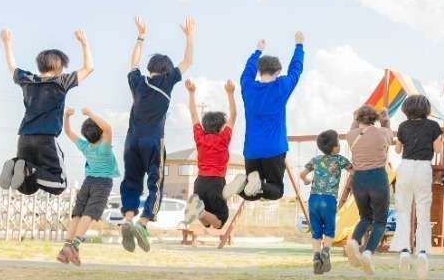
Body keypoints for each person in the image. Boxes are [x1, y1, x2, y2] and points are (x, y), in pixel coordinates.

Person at [120, 16, 194, 253]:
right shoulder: (167, 81)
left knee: (131, 182)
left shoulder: (137, 82)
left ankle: (127, 219)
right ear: (165, 71)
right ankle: (143, 223)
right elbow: (187, 61)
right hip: (153, 141)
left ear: (150, 69)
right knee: (155, 183)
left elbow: (132, 62)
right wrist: (189, 35)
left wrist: (141, 36)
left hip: (131, 142)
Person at [0, 28, 93, 195]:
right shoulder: (60, 81)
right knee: (59, 184)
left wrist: (7, 43)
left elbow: (11, 67)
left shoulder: (27, 80)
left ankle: (17, 166)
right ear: (59, 67)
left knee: (27, 187)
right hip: (46, 140)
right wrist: (84, 43)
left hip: (24, 139)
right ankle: (28, 168)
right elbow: (88, 68)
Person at [231, 33, 305, 202]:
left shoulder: (248, 86)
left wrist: (257, 51)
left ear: (259, 70)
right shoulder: (282, 86)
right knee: (276, 190)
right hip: (274, 149)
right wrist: (299, 46)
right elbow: (296, 69)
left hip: (252, 150)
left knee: (251, 195)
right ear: (278, 72)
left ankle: (243, 184)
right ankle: (255, 185)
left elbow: (247, 72)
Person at [391, 95, 443, 279]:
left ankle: (404, 250)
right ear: (426, 109)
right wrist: (438, 140)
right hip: (423, 168)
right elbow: (437, 150)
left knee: (403, 210)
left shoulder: (403, 127)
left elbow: (397, 150)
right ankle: (422, 251)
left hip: (405, 167)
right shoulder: (433, 127)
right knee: (423, 210)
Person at [58, 107, 119, 265]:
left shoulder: (85, 146)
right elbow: (108, 128)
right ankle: (75, 247)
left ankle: (66, 248)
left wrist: (66, 116)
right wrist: (90, 114)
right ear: (100, 132)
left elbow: (68, 132)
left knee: (77, 213)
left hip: (88, 182)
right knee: (89, 214)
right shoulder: (104, 147)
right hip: (102, 183)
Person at [182, 79, 237, 233]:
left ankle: (198, 209)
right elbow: (233, 116)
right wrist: (230, 94)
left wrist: (191, 93)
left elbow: (193, 115)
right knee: (220, 220)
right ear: (221, 128)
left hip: (200, 182)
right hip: (216, 183)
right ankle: (199, 210)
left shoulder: (200, 137)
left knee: (207, 222)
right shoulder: (223, 139)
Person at [344, 106, 394, 275]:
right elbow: (389, 133)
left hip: (358, 180)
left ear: (358, 119)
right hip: (378, 177)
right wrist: (385, 118)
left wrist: (354, 118)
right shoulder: (382, 133)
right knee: (380, 221)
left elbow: (352, 131)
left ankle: (354, 241)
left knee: (365, 217)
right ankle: (368, 252)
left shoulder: (351, 136)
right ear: (374, 118)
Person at [300, 130, 353, 275]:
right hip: (329, 199)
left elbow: (302, 174)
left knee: (316, 231)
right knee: (329, 229)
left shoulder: (316, 160)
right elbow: (353, 171)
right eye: (338, 142)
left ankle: (316, 257)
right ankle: (326, 252)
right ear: (335, 147)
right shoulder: (340, 159)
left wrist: (307, 181)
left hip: (314, 199)